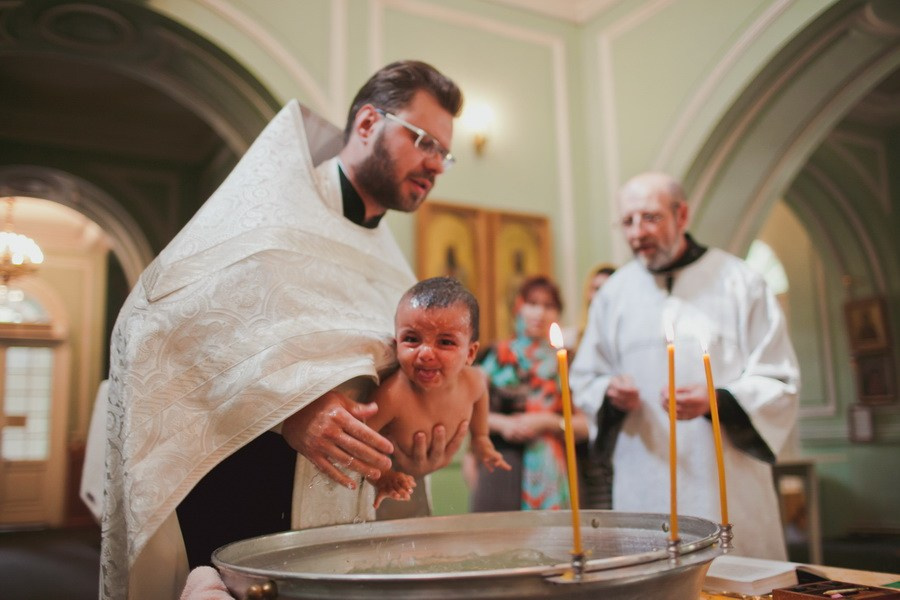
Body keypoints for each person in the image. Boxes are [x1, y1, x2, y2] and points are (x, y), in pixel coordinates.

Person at [101, 60, 465, 600]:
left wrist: (408, 454)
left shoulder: (392, 266)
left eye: (444, 153)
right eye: (424, 141)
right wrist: (288, 408)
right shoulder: (268, 217)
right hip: (244, 508)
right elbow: (154, 327)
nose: (435, 164)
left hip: (344, 529)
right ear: (369, 123)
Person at [569, 172, 800, 560]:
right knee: (648, 575)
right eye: (628, 221)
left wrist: (717, 400)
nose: (637, 232)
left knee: (733, 578)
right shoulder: (614, 294)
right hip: (643, 478)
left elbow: (779, 378)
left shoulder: (740, 282)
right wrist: (610, 392)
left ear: (682, 215)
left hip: (724, 482)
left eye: (650, 217)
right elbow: (586, 377)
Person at [367, 277, 511, 509]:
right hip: (388, 483)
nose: (425, 353)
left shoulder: (473, 381)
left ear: (470, 353)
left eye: (445, 342)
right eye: (411, 339)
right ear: (396, 344)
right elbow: (360, 440)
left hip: (416, 482)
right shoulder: (393, 395)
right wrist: (381, 476)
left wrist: (480, 437)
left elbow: (481, 395)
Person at [467, 275, 590, 512]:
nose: (539, 313)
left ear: (558, 313)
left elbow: (585, 425)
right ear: (519, 307)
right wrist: (504, 424)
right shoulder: (495, 356)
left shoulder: (567, 361)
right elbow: (467, 411)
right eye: (532, 303)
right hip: (501, 463)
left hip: (554, 469)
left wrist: (548, 421)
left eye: (548, 306)